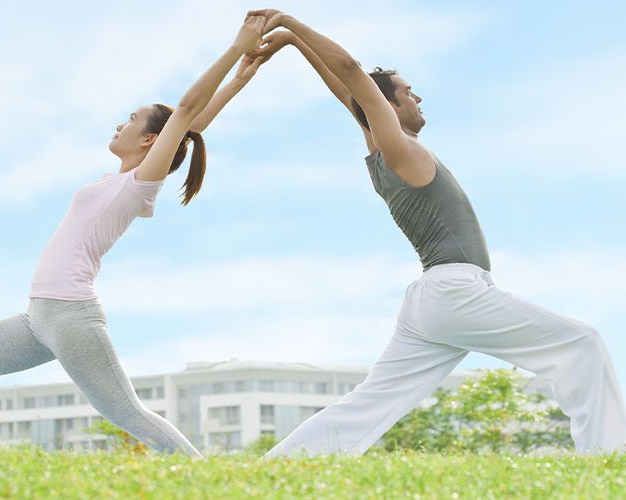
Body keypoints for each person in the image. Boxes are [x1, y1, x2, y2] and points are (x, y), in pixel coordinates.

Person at [247, 9, 626, 456]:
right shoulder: (400, 149)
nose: (418, 97)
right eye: (408, 92)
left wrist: (296, 46)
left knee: (370, 403)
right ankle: (609, 460)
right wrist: (291, 24)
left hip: (429, 304)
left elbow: (347, 92)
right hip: (455, 290)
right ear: (388, 106)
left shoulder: (382, 151)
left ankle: (280, 466)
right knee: (582, 345)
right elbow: (351, 76)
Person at [0, 15, 266, 456]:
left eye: (131, 119)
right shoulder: (117, 179)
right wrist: (239, 79)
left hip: (71, 315)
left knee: (126, 413)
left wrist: (237, 47)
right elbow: (192, 124)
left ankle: (205, 474)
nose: (120, 125)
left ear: (149, 141)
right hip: (37, 319)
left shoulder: (140, 183)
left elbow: (183, 116)